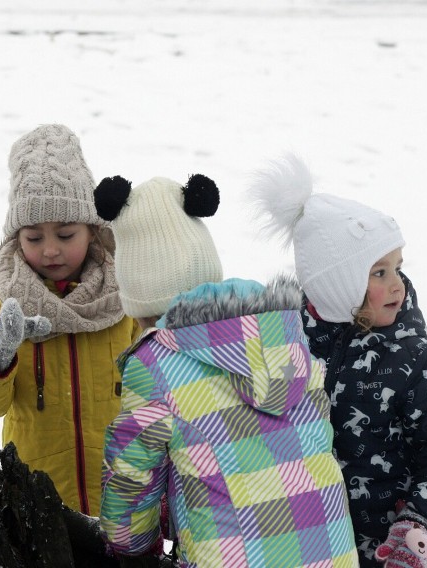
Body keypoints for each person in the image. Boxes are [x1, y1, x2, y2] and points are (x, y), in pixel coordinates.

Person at [97, 174, 358, 567]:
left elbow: (131, 480)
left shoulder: (155, 363)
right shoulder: (281, 334)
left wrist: (133, 548)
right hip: (330, 554)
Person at [248, 154, 427, 568]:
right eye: (379, 273)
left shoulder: (413, 356)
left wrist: (419, 524)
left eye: (398, 268)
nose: (397, 285)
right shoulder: (283, 341)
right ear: (336, 284)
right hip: (310, 547)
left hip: (394, 553)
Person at [0, 124, 139, 515]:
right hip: (40, 510)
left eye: (66, 234)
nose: (51, 250)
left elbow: (163, 397)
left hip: (125, 501)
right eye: (34, 238)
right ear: (16, 239)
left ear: (92, 230)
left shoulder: (127, 302)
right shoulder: (3, 310)